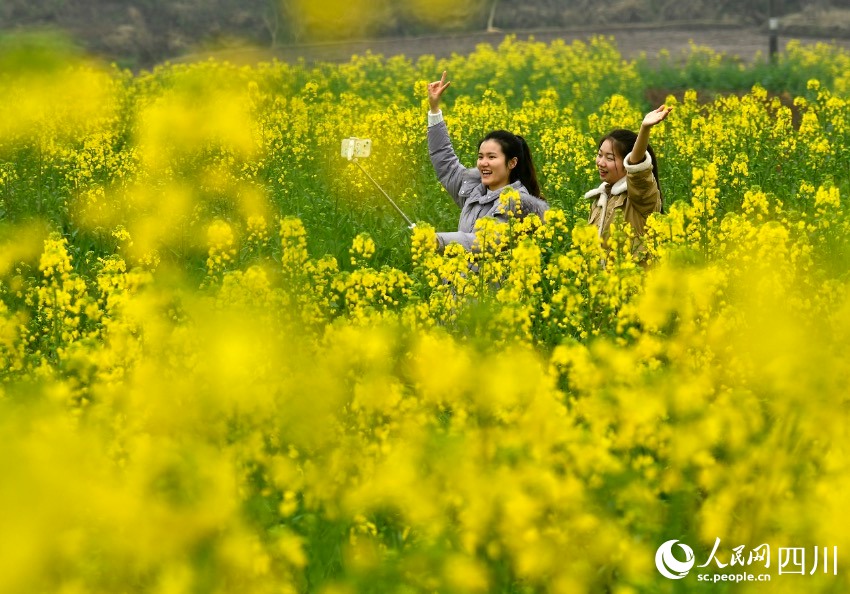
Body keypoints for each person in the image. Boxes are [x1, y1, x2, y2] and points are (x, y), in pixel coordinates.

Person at [426, 71, 548, 252]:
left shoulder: (518, 204)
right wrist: (434, 110)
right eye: (480, 156)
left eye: (492, 157)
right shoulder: (472, 190)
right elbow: (445, 162)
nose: (483, 163)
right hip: (460, 280)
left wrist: (438, 240)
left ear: (512, 163)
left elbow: (485, 242)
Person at [584, 105, 672, 254]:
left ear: (627, 163)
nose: (600, 162)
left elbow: (637, 169)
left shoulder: (641, 198)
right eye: (600, 155)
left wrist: (644, 129)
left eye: (609, 158)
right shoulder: (600, 200)